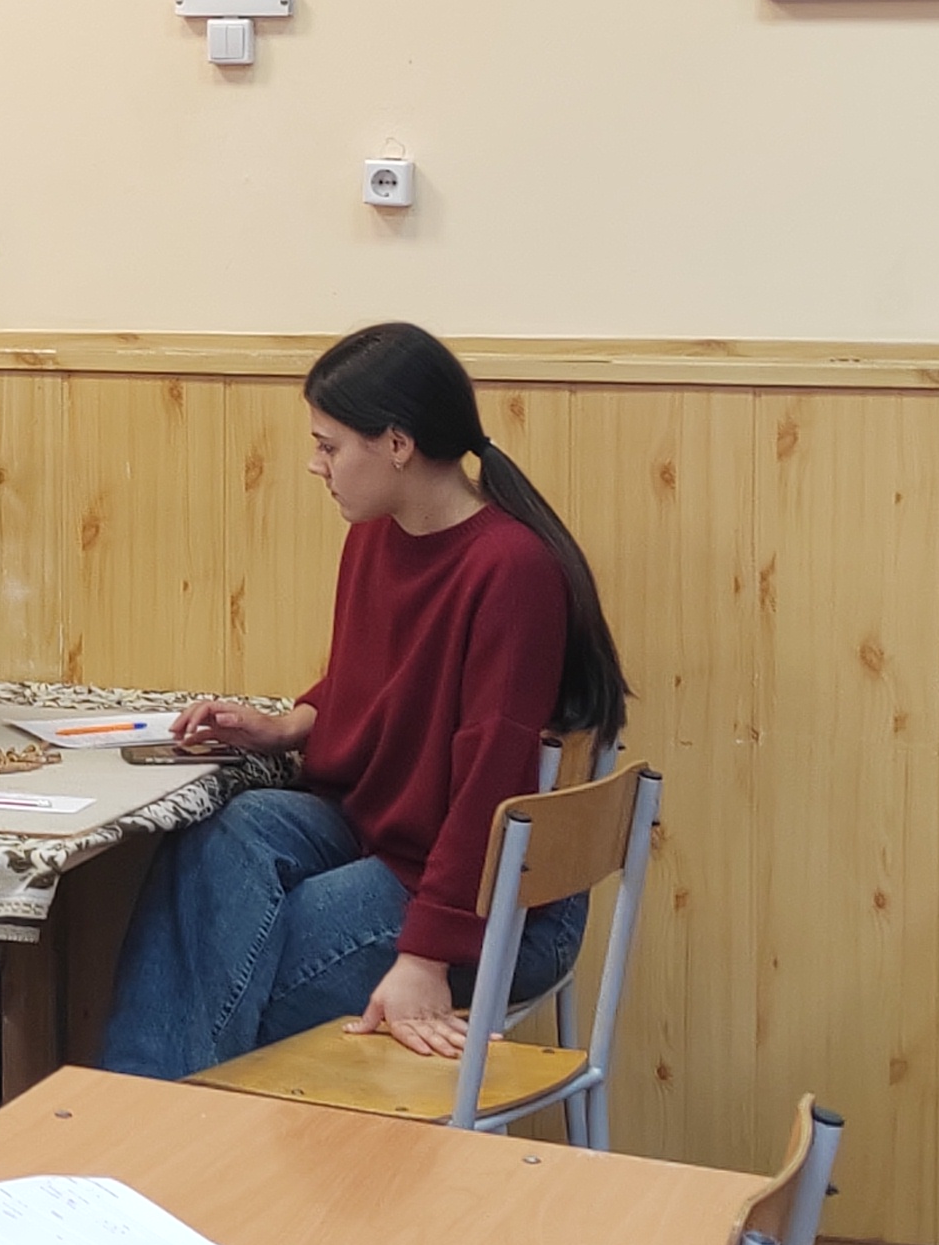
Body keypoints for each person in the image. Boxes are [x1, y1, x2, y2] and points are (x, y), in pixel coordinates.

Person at [97, 323, 629, 1082]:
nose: (315, 465)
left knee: (226, 972)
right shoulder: (377, 535)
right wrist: (287, 727)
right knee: (216, 840)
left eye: (329, 446)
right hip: (384, 836)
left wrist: (425, 958)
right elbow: (372, 681)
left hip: (486, 900)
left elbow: (492, 784)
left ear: (398, 444)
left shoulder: (512, 571)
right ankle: (152, 1115)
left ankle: (149, 1120)